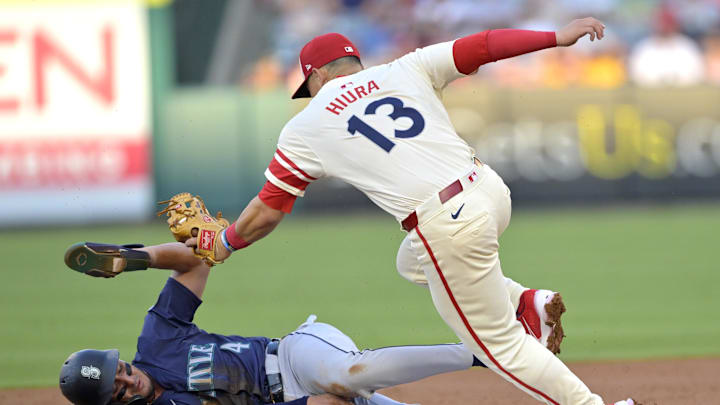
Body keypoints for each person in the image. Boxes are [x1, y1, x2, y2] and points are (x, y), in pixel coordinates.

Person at [190, 18, 635, 405]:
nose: (308, 93)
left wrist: (226, 242)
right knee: (411, 259)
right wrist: (557, 37)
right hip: (489, 190)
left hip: (446, 222)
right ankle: (524, 299)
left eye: (307, 87)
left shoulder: (305, 125)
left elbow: (268, 210)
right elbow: (481, 45)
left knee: (499, 346)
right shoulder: (406, 67)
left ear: (318, 76)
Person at [61, 241, 497, 405]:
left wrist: (137, 257)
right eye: (116, 390)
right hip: (290, 401)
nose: (129, 380)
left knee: (347, 374)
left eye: (121, 370)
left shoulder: (157, 342)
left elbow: (195, 261)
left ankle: (480, 354)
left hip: (294, 356)